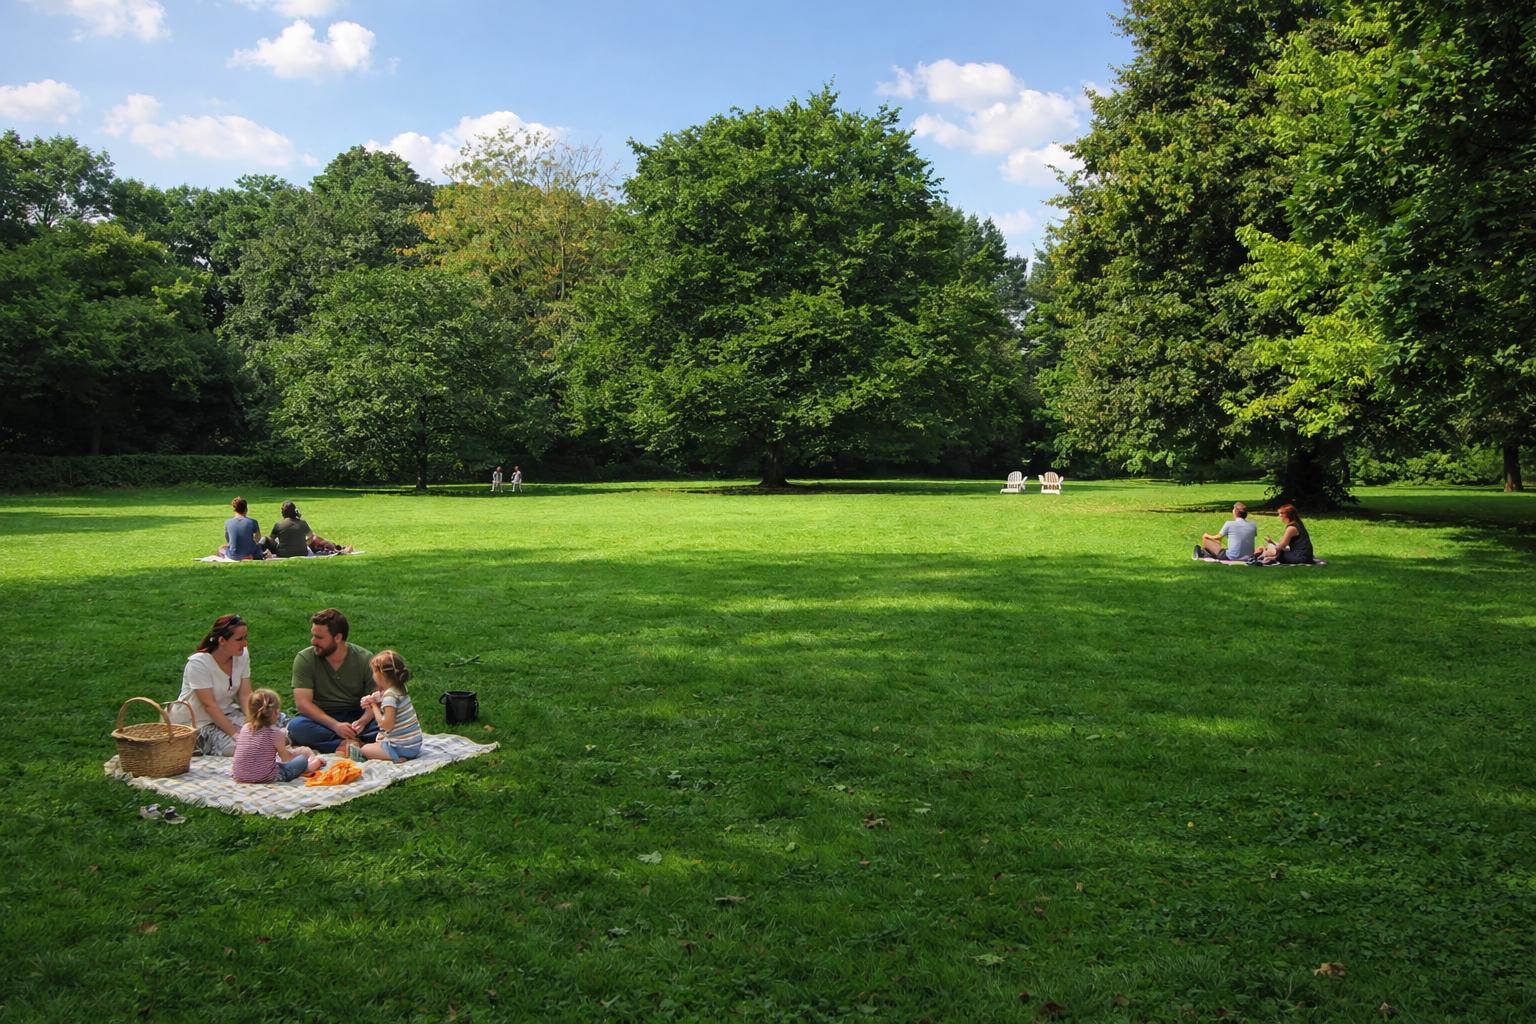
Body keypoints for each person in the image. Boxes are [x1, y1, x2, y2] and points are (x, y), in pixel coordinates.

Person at [286, 608, 378, 754]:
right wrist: (335, 726)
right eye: (313, 636)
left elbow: (375, 699)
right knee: (297, 728)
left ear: (337, 637)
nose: (313, 641)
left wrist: (363, 721)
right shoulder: (305, 659)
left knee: (390, 717)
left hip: (356, 715)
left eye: (319, 637)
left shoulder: (364, 658)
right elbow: (303, 704)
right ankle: (353, 743)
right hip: (322, 718)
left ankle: (347, 741)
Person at [169, 614, 253, 755]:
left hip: (227, 713)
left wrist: (253, 721)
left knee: (273, 730)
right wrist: (236, 735)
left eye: (245, 638)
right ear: (222, 641)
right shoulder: (198, 664)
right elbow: (210, 706)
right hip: (197, 722)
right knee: (242, 747)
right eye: (239, 639)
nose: (245, 644)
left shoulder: (242, 655)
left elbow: (245, 695)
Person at [345, 650, 424, 763]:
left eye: (373, 672)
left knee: (365, 749)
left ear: (380, 674)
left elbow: (386, 725)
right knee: (378, 738)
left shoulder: (389, 697)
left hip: (403, 748)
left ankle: (397, 757)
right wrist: (374, 699)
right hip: (413, 744)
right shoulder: (400, 688)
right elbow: (385, 698)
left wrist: (373, 706)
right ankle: (393, 752)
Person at [232, 689, 322, 783]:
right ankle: (311, 766)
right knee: (301, 761)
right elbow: (286, 758)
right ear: (275, 713)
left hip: (239, 775)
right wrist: (301, 752)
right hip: (265, 777)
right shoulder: (275, 733)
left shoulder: (245, 728)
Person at [264, 500, 353, 557]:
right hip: (302, 552)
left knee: (266, 539)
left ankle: (337, 548)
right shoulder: (302, 523)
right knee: (315, 539)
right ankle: (339, 548)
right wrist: (304, 544)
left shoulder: (278, 525)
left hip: (283, 553)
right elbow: (311, 537)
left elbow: (271, 540)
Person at [222, 497, 266, 561]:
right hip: (250, 554)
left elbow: (228, 540)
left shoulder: (227, 522)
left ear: (234, 509)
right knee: (258, 547)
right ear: (246, 509)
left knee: (222, 548)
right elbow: (258, 539)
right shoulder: (253, 522)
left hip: (234, 555)